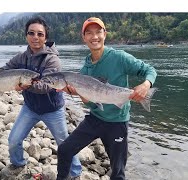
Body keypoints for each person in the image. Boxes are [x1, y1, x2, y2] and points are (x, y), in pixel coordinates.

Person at [56, 17, 157, 180]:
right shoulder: (85, 68)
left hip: (117, 122)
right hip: (95, 119)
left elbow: (150, 70)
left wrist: (146, 85)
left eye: (98, 32)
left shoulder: (120, 58)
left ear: (105, 34)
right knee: (64, 150)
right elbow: (88, 101)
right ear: (84, 38)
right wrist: (74, 92)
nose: (94, 37)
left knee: (117, 171)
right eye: (89, 33)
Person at [0, 16, 82, 179]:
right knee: (14, 139)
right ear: (26, 35)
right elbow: (4, 69)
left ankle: (75, 173)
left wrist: (24, 85)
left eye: (40, 34)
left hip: (53, 110)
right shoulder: (21, 57)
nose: (35, 37)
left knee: (64, 144)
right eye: (31, 33)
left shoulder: (53, 60)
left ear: (46, 37)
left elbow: (46, 87)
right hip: (30, 108)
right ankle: (18, 163)